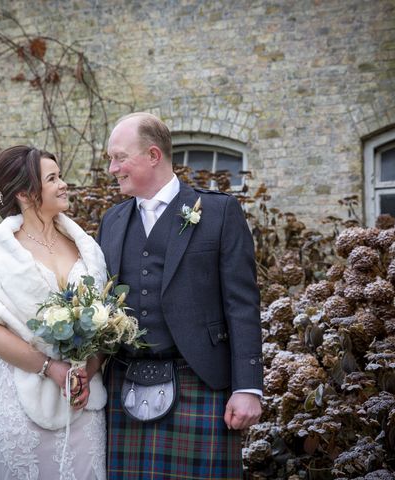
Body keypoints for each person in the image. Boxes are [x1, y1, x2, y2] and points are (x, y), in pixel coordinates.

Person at [97, 112, 263, 479]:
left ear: (153, 155)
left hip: (200, 380)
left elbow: (243, 304)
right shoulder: (112, 220)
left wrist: (248, 387)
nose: (112, 168)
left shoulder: (220, 212)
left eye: (119, 157)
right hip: (124, 382)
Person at [0, 146, 107, 480]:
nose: (64, 184)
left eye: (60, 176)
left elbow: (105, 321)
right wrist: (50, 368)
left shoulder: (85, 246)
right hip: (20, 400)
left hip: (84, 400)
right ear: (26, 193)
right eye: (53, 178)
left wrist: (89, 369)